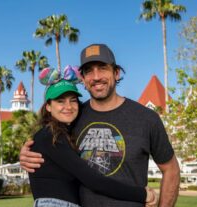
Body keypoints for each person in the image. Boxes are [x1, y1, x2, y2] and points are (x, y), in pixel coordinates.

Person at [21, 43, 180, 207]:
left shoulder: (147, 118)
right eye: (88, 70)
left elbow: (171, 169)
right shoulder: (72, 117)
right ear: (82, 79)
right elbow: (48, 142)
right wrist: (26, 151)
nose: (96, 77)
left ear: (116, 73)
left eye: (103, 68)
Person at [30, 76, 157, 207]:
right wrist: (142, 194)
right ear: (49, 106)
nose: (68, 106)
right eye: (60, 101)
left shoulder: (58, 134)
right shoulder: (50, 136)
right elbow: (94, 181)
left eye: (73, 101)